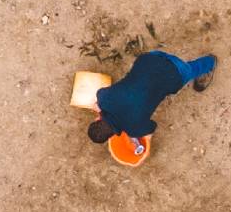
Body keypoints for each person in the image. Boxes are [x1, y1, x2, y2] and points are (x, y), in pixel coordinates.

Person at [88, 48, 216, 164]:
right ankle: (201, 63)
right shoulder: (104, 99)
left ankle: (210, 62)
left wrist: (136, 136)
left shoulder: (134, 128)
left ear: (112, 135)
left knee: (191, 70)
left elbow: (151, 127)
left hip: (175, 73)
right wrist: (100, 107)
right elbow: (100, 94)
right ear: (97, 119)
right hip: (150, 58)